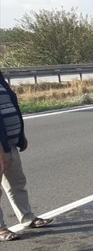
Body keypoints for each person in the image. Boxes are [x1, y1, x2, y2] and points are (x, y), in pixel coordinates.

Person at [0, 69, 53, 241]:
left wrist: (20, 135)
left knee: (17, 183)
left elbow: (10, 107)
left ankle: (27, 218)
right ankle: (1, 229)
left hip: (10, 144)